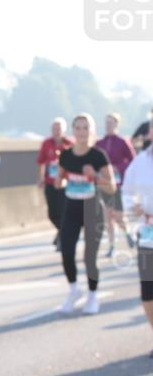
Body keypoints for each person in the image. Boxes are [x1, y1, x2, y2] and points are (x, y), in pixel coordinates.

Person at [56, 113, 116, 315]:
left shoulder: (98, 156)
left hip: (92, 210)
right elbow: (61, 178)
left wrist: (96, 176)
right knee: (66, 251)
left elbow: (112, 187)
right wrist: (59, 181)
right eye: (78, 128)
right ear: (73, 131)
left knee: (89, 257)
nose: (82, 132)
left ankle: (92, 295)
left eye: (85, 127)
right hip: (71, 209)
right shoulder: (65, 155)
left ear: (92, 131)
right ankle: (74, 290)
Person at [121, 139, 153, 357]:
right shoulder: (140, 162)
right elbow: (126, 191)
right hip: (148, 232)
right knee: (148, 291)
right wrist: (132, 206)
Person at [95, 112, 137, 258]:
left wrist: (118, 167)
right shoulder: (99, 143)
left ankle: (127, 233)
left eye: (111, 123)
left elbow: (133, 161)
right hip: (104, 184)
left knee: (118, 215)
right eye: (106, 123)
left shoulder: (123, 142)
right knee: (107, 215)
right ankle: (112, 245)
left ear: (116, 125)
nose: (108, 126)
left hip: (118, 184)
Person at [37, 118, 73, 251]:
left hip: (65, 184)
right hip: (50, 182)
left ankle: (63, 238)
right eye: (54, 129)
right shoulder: (46, 144)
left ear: (63, 130)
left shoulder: (70, 144)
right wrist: (41, 178)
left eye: (59, 129)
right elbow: (41, 162)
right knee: (52, 214)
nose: (56, 132)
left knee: (64, 212)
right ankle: (63, 233)